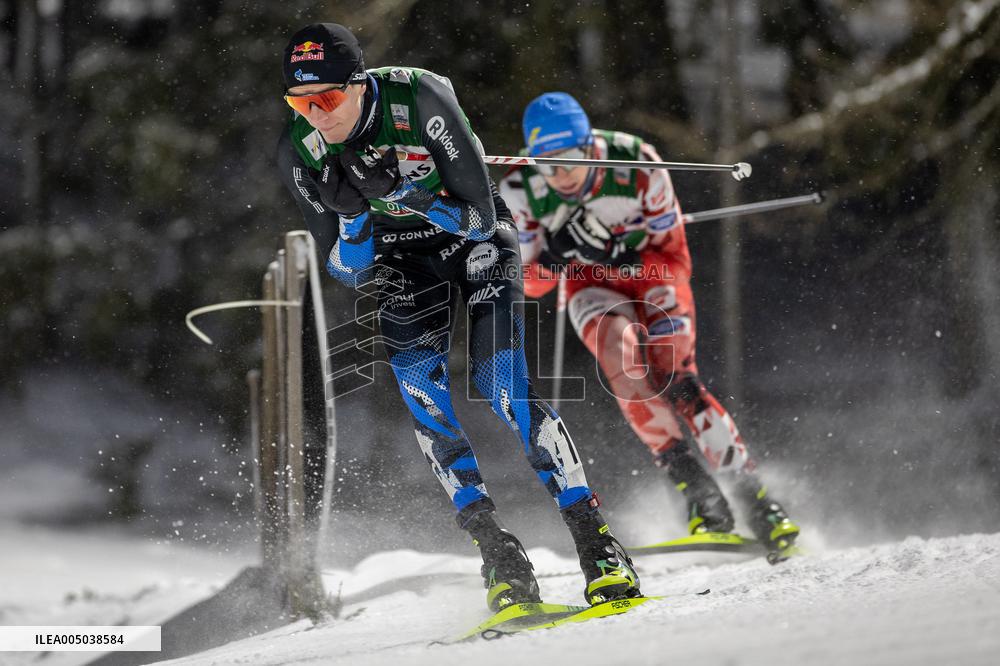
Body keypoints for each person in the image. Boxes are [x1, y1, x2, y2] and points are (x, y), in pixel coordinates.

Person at [274, 24, 640, 609]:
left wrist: (407, 193)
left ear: (358, 85)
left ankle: (596, 543)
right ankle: (498, 554)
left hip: (471, 244)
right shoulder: (302, 148)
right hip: (399, 260)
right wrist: (355, 220)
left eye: (327, 98)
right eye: (300, 102)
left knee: (503, 390)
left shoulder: (420, 99)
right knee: (423, 396)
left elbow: (481, 215)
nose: (316, 115)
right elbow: (348, 271)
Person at [498, 92, 800, 557]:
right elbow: (529, 283)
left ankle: (757, 500)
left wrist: (618, 255)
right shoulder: (520, 190)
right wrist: (554, 257)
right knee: (623, 366)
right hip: (587, 285)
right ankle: (700, 495)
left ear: (590, 147)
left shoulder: (636, 161)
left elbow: (673, 255)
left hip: (653, 273)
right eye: (546, 164)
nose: (559, 175)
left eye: (569, 160)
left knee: (673, 377)